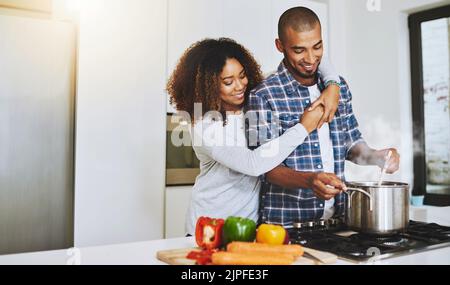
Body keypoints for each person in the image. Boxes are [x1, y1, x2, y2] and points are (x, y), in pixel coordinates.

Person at [166, 38, 343, 235]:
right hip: (209, 226)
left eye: (242, 76)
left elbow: (316, 60)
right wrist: (304, 127)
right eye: (228, 82)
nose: (239, 85)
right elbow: (253, 164)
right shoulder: (203, 125)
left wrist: (333, 85)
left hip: (248, 226)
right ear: (206, 85)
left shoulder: (254, 98)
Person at [246, 7, 400, 227]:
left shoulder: (339, 87)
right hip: (285, 226)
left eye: (317, 47)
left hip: (338, 222)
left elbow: (350, 143)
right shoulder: (262, 95)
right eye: (299, 50)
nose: (310, 58)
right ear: (280, 46)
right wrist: (309, 180)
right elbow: (264, 167)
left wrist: (376, 156)